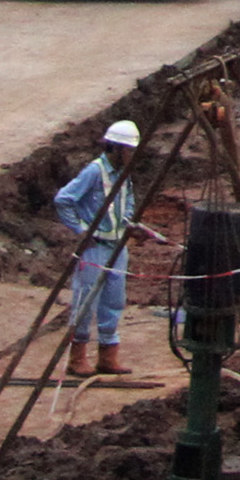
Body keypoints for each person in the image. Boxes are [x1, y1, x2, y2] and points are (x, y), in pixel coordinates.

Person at [51, 119, 162, 379]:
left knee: (114, 299)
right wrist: (81, 230)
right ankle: (77, 358)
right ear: (116, 148)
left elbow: (128, 199)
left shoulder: (124, 173)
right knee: (86, 300)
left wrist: (129, 221)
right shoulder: (95, 171)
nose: (132, 156)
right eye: (129, 150)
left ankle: (108, 355)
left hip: (117, 246)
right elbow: (64, 200)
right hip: (96, 248)